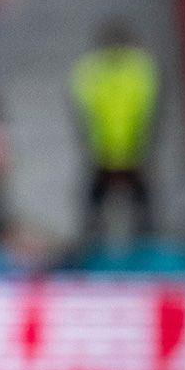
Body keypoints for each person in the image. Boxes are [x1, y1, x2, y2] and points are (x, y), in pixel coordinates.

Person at [71, 17, 160, 245]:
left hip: (133, 149)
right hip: (103, 149)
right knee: (95, 203)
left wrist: (142, 148)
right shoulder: (91, 70)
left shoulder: (140, 68)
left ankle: (145, 246)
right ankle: (94, 245)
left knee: (142, 202)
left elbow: (151, 111)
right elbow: (82, 112)